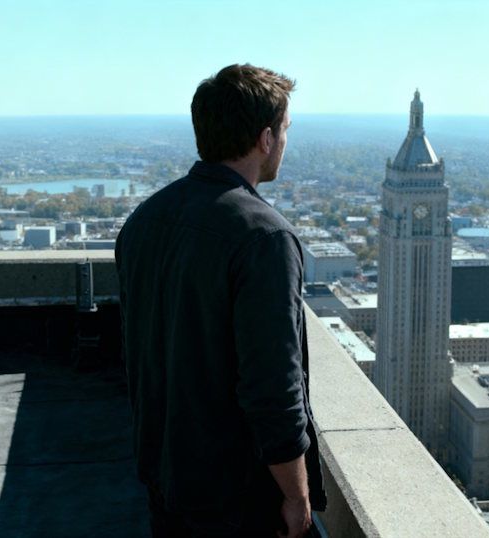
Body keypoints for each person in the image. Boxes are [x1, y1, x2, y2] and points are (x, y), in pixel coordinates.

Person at [115, 64, 325, 537]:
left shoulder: (144, 220)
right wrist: (296, 493)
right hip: (235, 500)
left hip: (165, 478)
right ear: (266, 139)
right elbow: (272, 385)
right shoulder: (264, 237)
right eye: (286, 130)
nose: (286, 143)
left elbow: (139, 352)